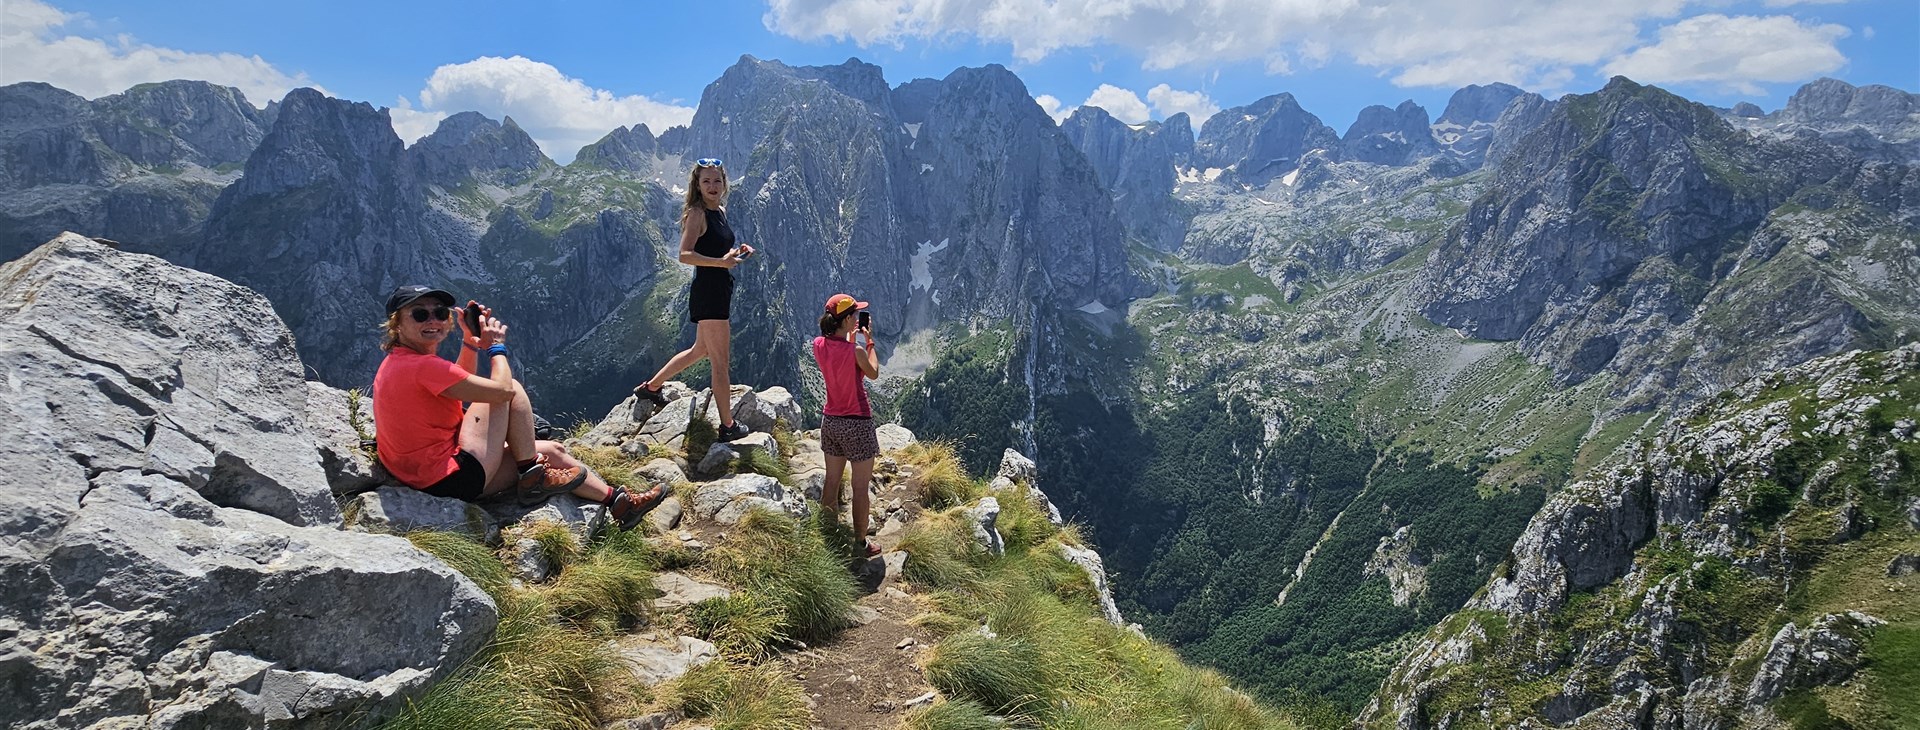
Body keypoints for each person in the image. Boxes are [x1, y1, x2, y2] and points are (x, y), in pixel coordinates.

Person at [372, 285, 665, 528]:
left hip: (430, 477)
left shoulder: (402, 361)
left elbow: (458, 389)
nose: (432, 321)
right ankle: (532, 474)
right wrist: (496, 348)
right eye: (420, 314)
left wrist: (471, 343)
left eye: (439, 313)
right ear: (397, 325)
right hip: (449, 475)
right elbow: (499, 392)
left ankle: (619, 503)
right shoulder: (423, 366)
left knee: (554, 452)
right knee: (511, 389)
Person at [633, 157, 756, 442]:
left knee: (699, 350)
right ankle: (727, 426)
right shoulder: (696, 214)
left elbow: (716, 250)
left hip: (719, 289)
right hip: (709, 293)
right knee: (720, 363)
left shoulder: (720, 211)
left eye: (717, 180)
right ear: (697, 186)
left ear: (724, 183)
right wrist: (720, 263)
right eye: (706, 181)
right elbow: (684, 254)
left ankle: (651, 388)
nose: (712, 186)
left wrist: (735, 253)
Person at [814, 293, 882, 558]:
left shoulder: (818, 344)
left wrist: (852, 337)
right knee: (860, 487)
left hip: (830, 421)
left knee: (832, 480)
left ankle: (828, 533)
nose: (857, 317)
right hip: (857, 423)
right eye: (854, 314)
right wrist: (870, 341)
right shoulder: (856, 350)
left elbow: (842, 358)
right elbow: (873, 372)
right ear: (846, 320)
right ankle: (861, 544)